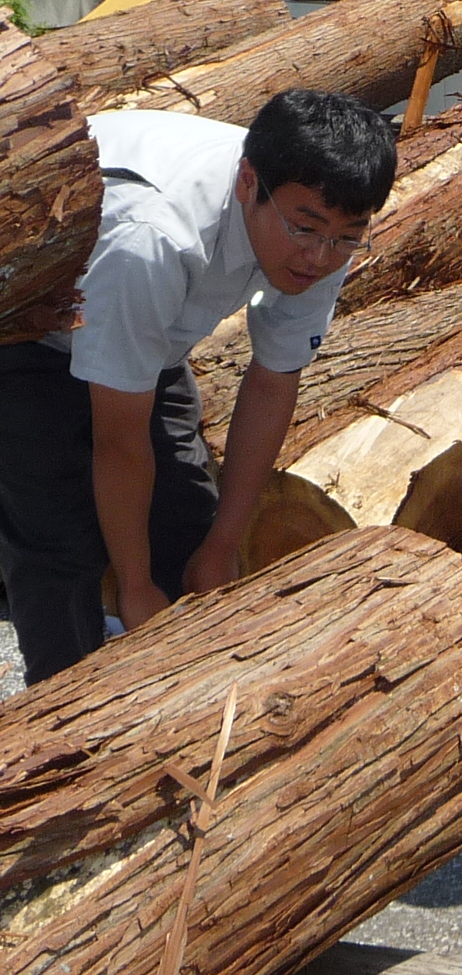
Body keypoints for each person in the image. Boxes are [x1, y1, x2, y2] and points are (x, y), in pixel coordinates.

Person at [0, 90, 397, 685]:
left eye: (347, 236)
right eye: (306, 229)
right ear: (247, 182)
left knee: (189, 523)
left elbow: (271, 384)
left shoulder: (322, 235)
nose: (319, 257)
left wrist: (219, 550)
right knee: (59, 539)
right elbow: (119, 441)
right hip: (25, 327)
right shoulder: (154, 239)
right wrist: (134, 590)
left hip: (149, 331)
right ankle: (69, 731)